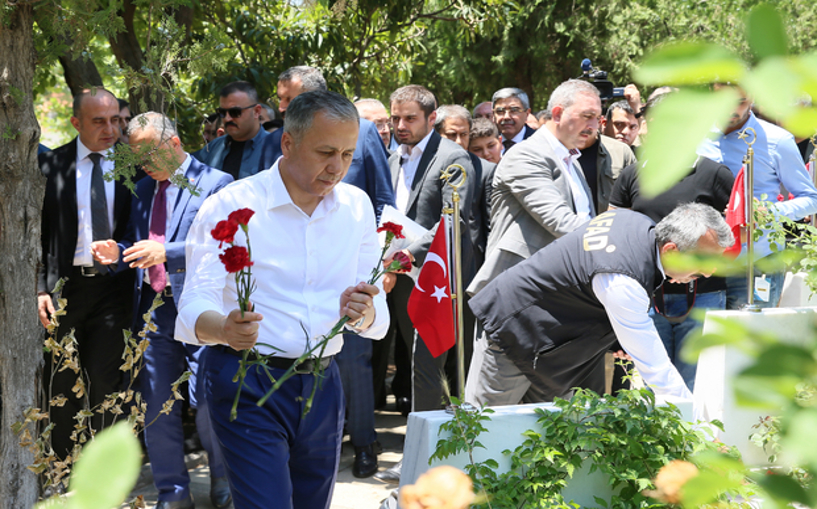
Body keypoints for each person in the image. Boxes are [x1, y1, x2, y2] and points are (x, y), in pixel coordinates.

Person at [176, 91, 389, 509]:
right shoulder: (232, 205)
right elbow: (191, 306)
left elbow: (375, 316)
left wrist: (364, 312)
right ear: (288, 143)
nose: (337, 167)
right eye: (325, 152)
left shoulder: (357, 207)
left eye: (348, 154)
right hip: (246, 382)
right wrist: (223, 328)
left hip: (324, 385)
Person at [91, 112, 234, 509]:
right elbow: (138, 245)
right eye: (138, 158)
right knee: (157, 407)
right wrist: (117, 253)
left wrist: (168, 253)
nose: (144, 165)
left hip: (203, 311)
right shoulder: (141, 188)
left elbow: (225, 247)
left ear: (173, 144)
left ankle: (225, 482)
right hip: (153, 312)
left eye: (149, 155)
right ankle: (173, 493)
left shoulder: (216, 184)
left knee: (209, 401)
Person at [468, 203, 733, 405]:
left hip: (546, 343)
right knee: (486, 434)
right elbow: (657, 370)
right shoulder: (623, 279)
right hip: (513, 334)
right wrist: (696, 427)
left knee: (536, 443)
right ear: (671, 251)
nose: (709, 273)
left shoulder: (633, 221)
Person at [465, 79, 600, 406]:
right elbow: (562, 223)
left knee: (550, 434)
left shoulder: (572, 162)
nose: (594, 125)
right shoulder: (527, 155)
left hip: (558, 317)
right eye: (587, 116)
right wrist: (618, 238)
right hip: (515, 313)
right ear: (557, 112)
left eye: (598, 118)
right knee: (484, 428)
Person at [375, 85, 477, 485]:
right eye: (394, 118)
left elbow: (452, 220)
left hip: (437, 280)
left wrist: (403, 256)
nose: (399, 126)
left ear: (431, 119)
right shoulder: (390, 157)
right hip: (398, 277)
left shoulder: (454, 159)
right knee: (408, 362)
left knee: (425, 367)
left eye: (409, 119)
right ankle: (426, 451)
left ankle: (426, 458)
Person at [609, 91, 735, 390]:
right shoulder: (631, 175)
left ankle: (694, 438)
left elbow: (734, 235)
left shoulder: (714, 174)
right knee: (651, 383)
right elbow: (615, 236)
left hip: (703, 295)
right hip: (646, 296)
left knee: (699, 382)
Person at [38, 87, 135, 459]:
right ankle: (64, 467)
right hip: (64, 289)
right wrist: (39, 288)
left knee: (107, 381)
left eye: (115, 120)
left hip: (114, 289)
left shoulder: (133, 164)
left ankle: (107, 471)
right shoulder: (51, 166)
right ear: (76, 122)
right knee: (60, 378)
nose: (110, 129)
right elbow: (38, 233)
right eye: (99, 121)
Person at [697, 83, 817, 309]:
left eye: (740, 101)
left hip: (757, 263)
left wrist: (768, 213)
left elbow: (811, 199)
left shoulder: (777, 140)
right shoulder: (696, 138)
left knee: (752, 340)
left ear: (752, 98)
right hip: (705, 265)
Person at [194, 81, 270, 180]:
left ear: (256, 111)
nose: (227, 118)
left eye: (235, 112)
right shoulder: (212, 149)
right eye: (222, 112)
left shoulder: (275, 149)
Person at [575, 129, 637, 212]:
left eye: (591, 117)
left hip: (611, 222)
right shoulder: (556, 152)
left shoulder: (621, 151)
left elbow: (636, 200)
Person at [491, 88, 535, 154]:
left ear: (527, 113)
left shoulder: (539, 142)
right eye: (500, 111)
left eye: (514, 110)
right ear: (493, 114)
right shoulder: (487, 143)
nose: (506, 117)